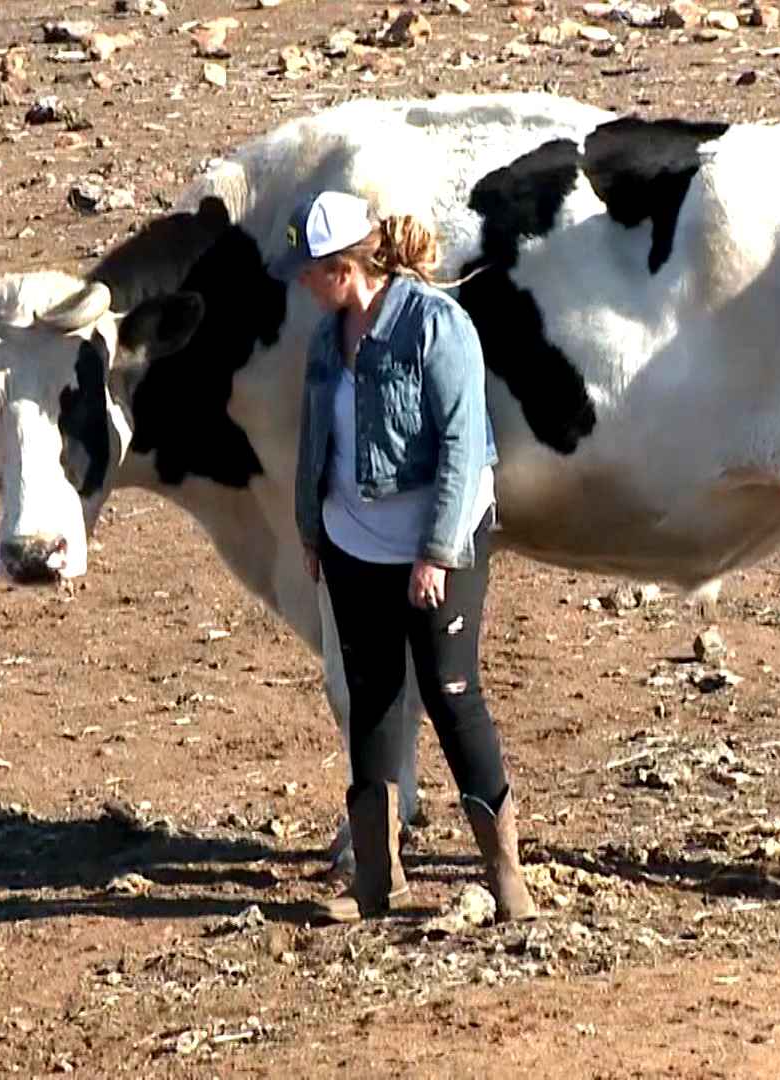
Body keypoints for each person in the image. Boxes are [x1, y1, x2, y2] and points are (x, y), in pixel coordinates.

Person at [271, 189, 537, 926]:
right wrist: (310, 529)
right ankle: (377, 883)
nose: (300, 281)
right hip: (353, 541)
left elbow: (461, 446)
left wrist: (437, 552)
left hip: (434, 541)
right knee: (372, 697)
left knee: (453, 696)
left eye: (309, 268)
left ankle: (506, 874)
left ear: (342, 267)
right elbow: (316, 435)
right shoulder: (328, 337)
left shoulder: (436, 326)